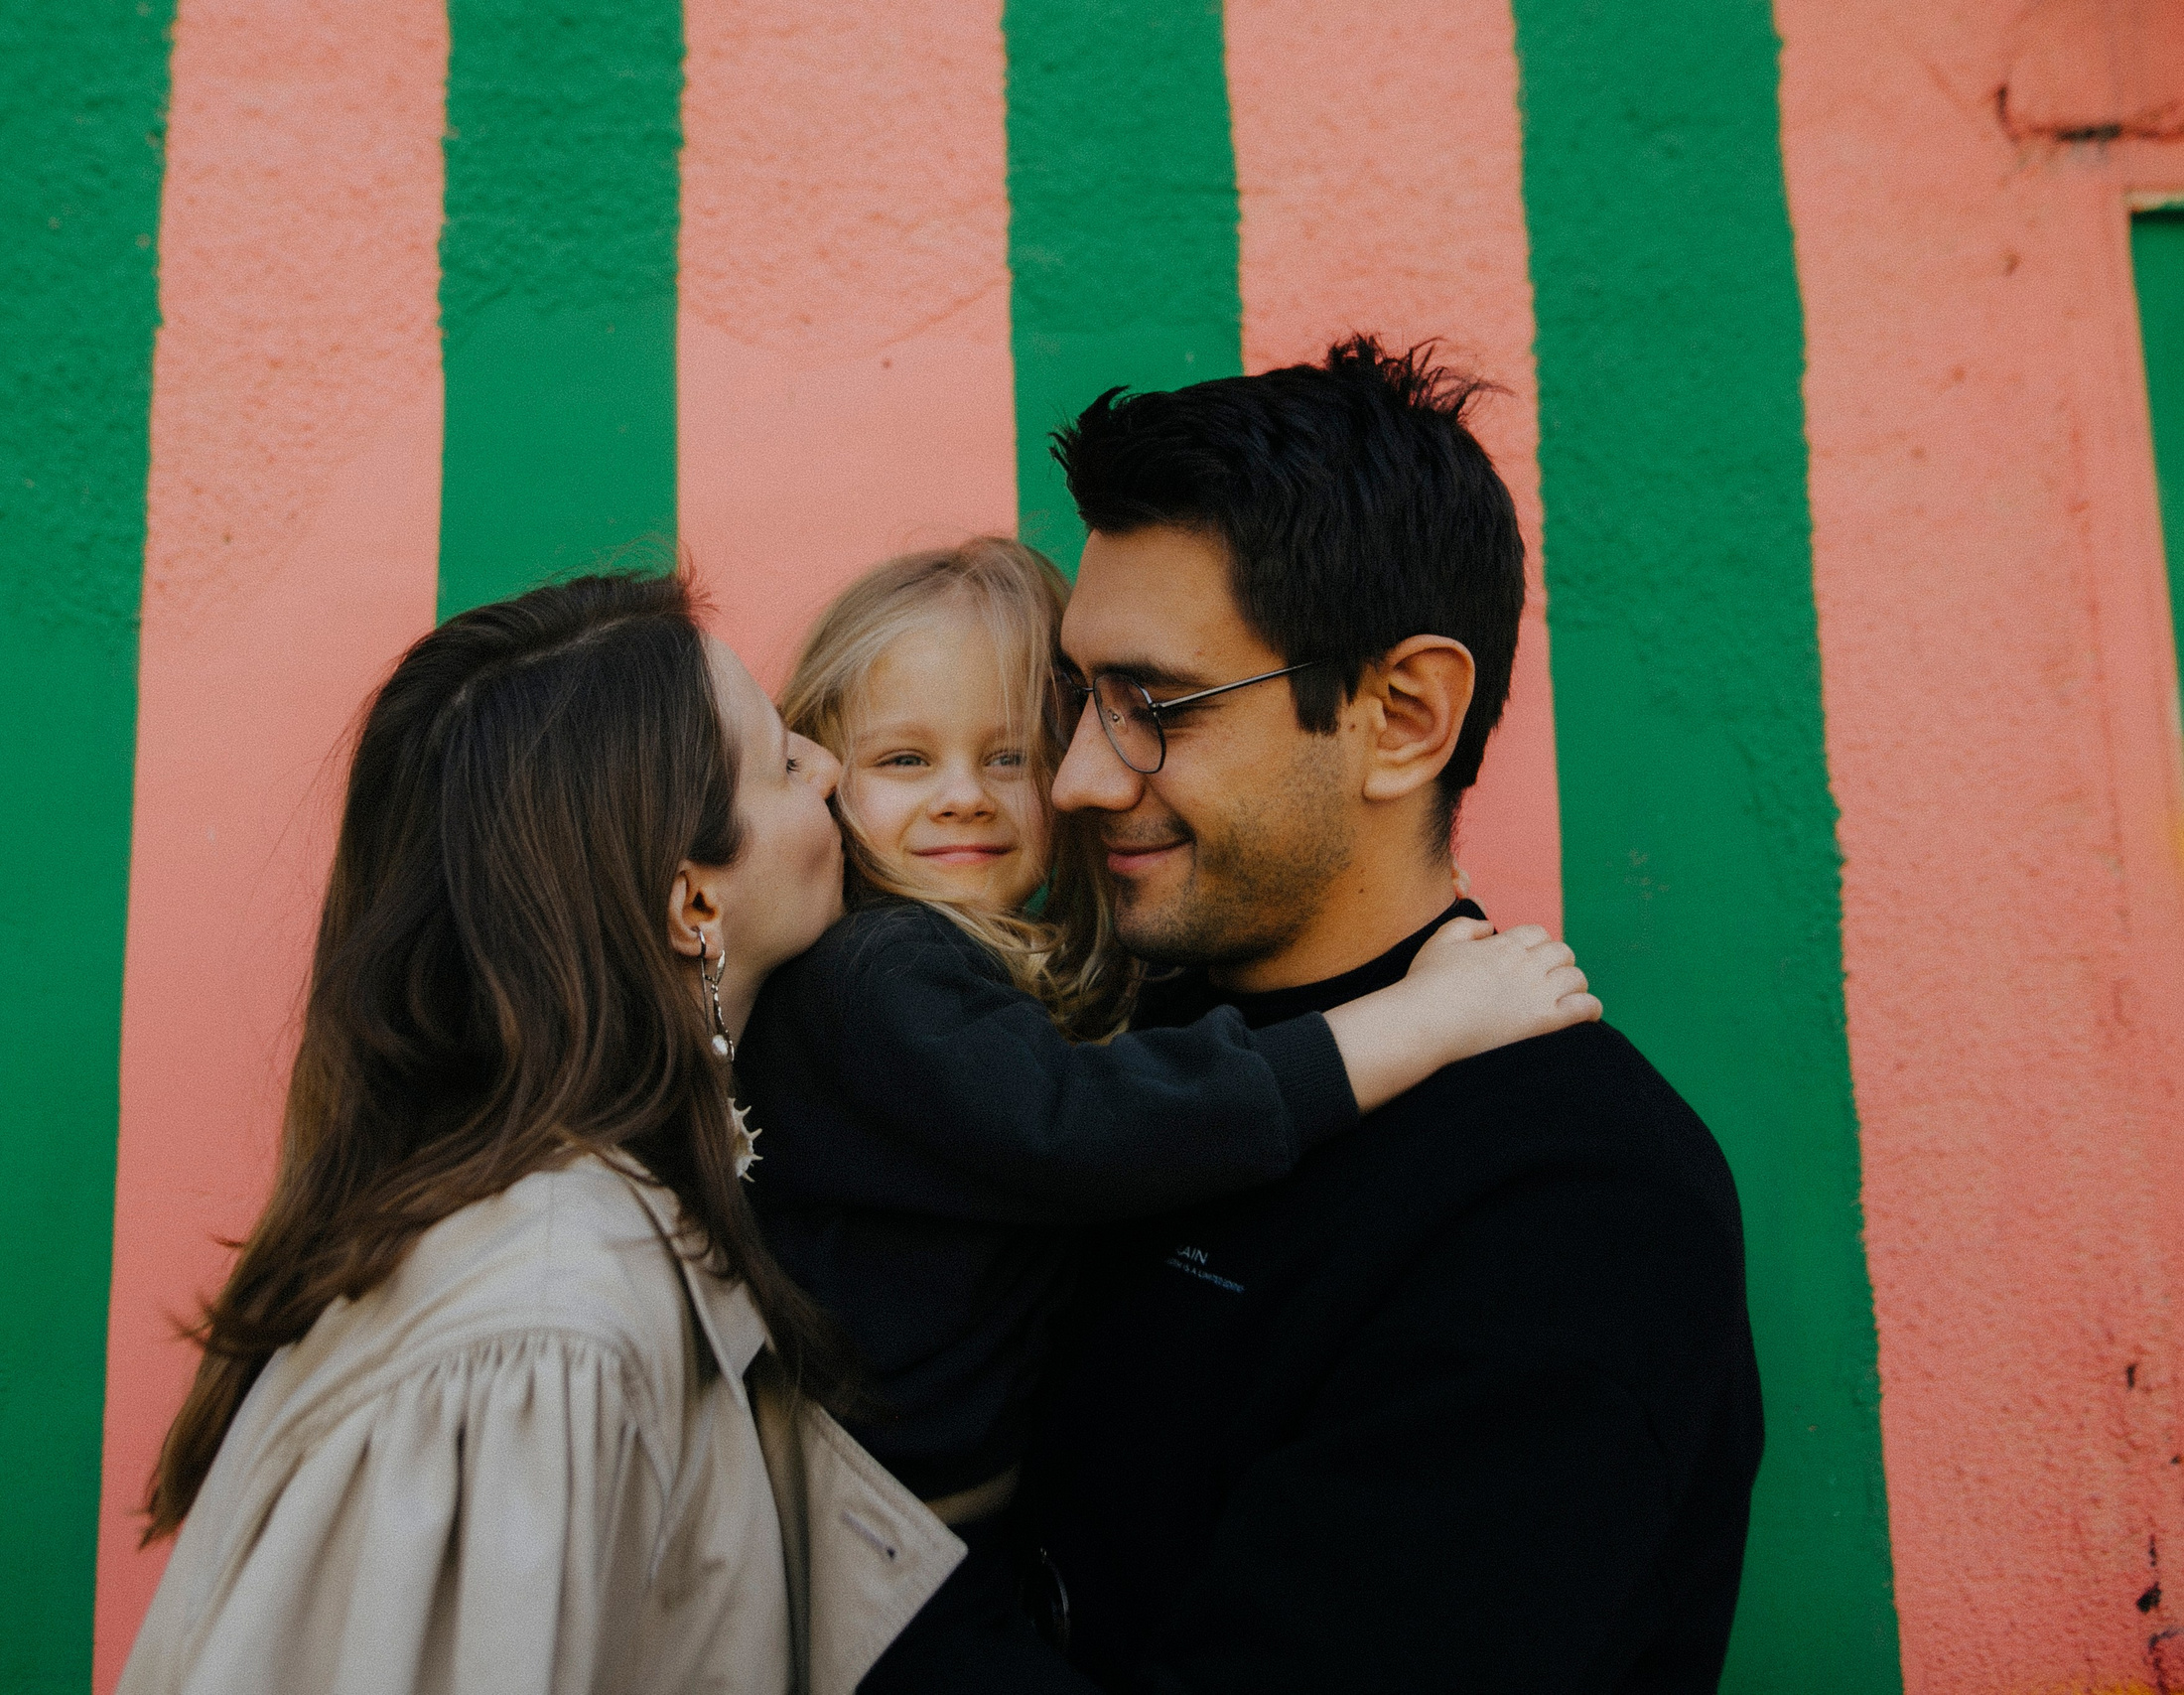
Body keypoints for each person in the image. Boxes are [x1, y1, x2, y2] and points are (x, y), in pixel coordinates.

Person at [1021, 337, 1766, 1691]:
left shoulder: (1577, 1201)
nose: (1075, 776)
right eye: (1082, 698)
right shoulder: (1094, 1052)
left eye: (1151, 707)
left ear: (1404, 716)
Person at [736, 537, 1602, 1691]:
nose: (964, 796)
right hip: (869, 1555)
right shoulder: (880, 972)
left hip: (935, 1532)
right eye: (904, 757)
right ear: (826, 773)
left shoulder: (980, 963)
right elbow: (1088, 1129)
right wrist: (1420, 1021)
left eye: (1011, 755)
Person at [117, 574, 965, 1695]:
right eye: (780, 760)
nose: (825, 768)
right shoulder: (544, 1327)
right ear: (692, 904)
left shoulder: (580, 1244)